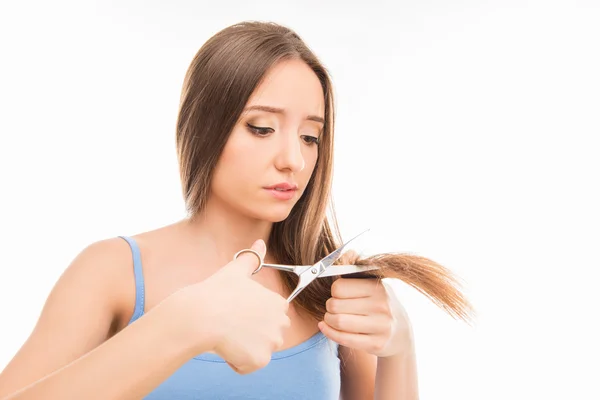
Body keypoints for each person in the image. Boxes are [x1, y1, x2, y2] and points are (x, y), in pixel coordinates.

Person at [0, 21, 473, 399]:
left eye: (311, 136)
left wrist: (400, 347)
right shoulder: (113, 270)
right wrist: (179, 326)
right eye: (262, 128)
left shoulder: (334, 290)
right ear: (204, 126)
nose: (294, 158)